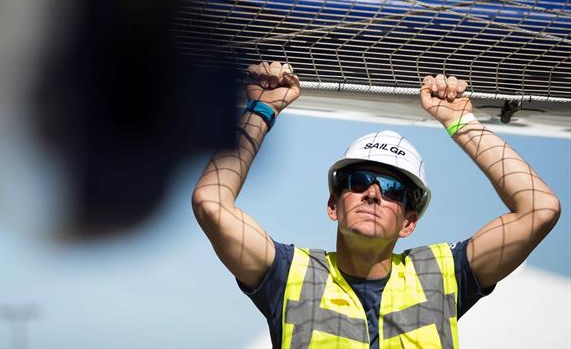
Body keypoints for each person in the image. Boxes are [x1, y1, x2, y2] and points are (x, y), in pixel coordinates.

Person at [192, 61, 561, 349]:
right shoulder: (290, 274)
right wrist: (261, 110)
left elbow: (540, 208)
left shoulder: (444, 273)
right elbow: (211, 202)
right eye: (358, 182)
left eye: (392, 189)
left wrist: (462, 122)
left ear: (408, 223)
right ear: (333, 205)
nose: (373, 193)